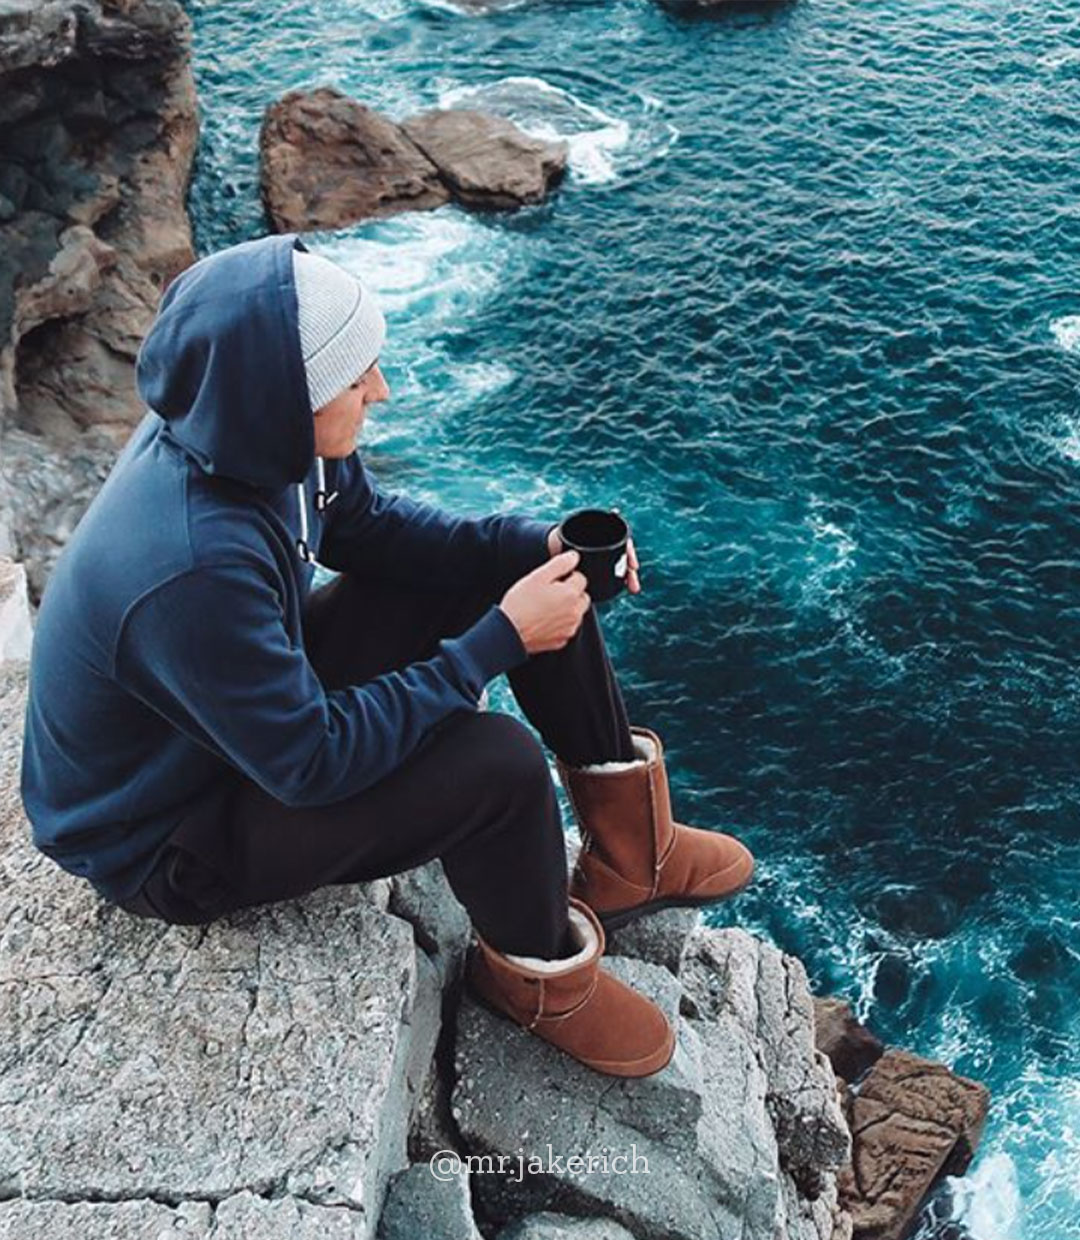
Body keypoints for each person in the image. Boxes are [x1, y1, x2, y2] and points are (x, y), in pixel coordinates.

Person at [19, 233, 755, 1079]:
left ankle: (635, 855)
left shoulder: (261, 437)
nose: (382, 389)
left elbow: (371, 529)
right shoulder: (190, 565)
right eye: (356, 377)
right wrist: (497, 643)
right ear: (285, 398)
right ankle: (538, 974)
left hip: (228, 730)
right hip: (167, 833)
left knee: (525, 573)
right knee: (498, 765)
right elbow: (311, 763)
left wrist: (540, 546)